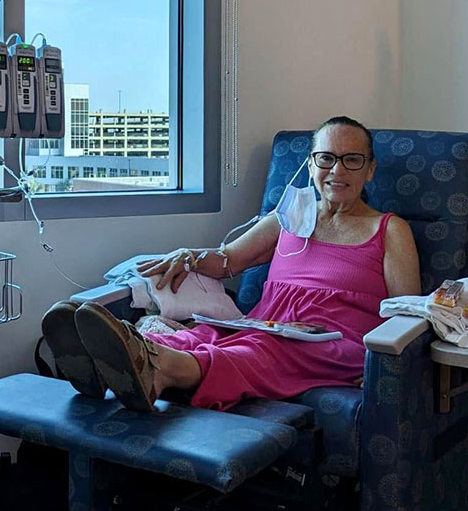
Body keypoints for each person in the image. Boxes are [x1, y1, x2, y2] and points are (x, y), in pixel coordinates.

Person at [41, 116, 421, 413]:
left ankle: (158, 370)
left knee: (256, 351)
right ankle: (101, 365)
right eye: (326, 158)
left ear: (370, 169)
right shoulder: (290, 215)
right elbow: (229, 261)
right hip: (266, 324)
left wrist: (386, 368)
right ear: (311, 164)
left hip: (334, 344)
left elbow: (409, 313)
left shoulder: (389, 230)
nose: (337, 171)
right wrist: (188, 255)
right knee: (204, 335)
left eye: (352, 160)